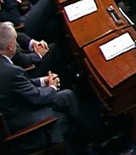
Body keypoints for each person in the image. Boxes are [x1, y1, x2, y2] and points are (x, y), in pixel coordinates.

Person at [0, 22, 85, 153]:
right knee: (64, 113)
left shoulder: (6, 67)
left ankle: (89, 135)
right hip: (22, 121)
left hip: (18, 106)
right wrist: (52, 87)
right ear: (11, 47)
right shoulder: (10, 71)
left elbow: (18, 86)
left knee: (67, 96)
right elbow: (36, 98)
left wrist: (44, 81)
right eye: (15, 41)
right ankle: (88, 142)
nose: (18, 45)